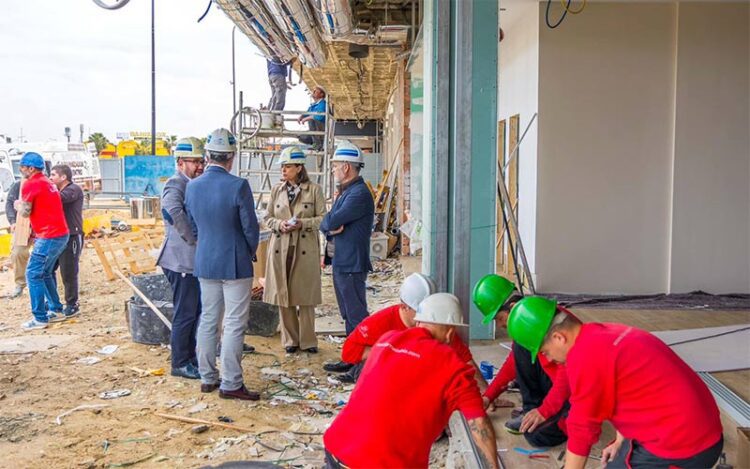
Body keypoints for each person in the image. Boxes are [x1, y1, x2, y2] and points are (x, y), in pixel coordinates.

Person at [507, 296, 724, 469]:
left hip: (683, 449)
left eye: (545, 352)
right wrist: (622, 440)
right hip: (701, 433)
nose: (550, 359)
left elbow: (582, 429)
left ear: (558, 338)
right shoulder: (600, 333)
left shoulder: (585, 358)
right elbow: (632, 394)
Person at [323, 293, 499, 469]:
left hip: (337, 448)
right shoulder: (452, 365)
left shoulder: (386, 340)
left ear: (418, 321)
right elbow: (479, 425)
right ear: (451, 333)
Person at [185, 128, 261, 400]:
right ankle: (231, 382)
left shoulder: (192, 186)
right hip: (235, 263)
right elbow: (250, 228)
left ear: (207, 156)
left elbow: (193, 227)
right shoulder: (238, 185)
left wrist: (205, 245)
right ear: (231, 157)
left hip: (205, 262)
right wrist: (248, 250)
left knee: (208, 319)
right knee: (233, 323)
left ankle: (207, 377)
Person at [334, 273, 488, 391]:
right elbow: (349, 351)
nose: (424, 318)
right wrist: (392, 351)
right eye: (419, 312)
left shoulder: (435, 323)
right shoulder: (382, 322)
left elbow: (465, 360)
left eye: (429, 312)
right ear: (403, 306)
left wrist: (487, 393)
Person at [472, 274, 570, 448]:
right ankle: (531, 412)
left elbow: (568, 374)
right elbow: (514, 364)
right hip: (557, 387)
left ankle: (554, 419)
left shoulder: (550, 323)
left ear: (512, 306)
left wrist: (544, 411)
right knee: (520, 348)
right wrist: (488, 396)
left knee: (536, 436)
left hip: (572, 394)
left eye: (500, 318)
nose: (501, 325)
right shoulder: (530, 321)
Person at [263, 146, 326, 354]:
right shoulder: (276, 190)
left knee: (305, 295)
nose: (283, 170)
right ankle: (290, 340)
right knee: (284, 293)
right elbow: (267, 218)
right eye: (282, 166)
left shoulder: (314, 190)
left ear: (299, 168)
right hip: (281, 247)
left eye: (288, 166)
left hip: (305, 246)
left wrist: (303, 223)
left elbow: (323, 219)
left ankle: (308, 341)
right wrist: (279, 225)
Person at [320, 142, 374, 374]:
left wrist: (330, 224)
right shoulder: (347, 192)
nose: (332, 169)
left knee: (357, 316)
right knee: (347, 315)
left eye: (334, 166)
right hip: (343, 261)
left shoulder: (359, 194)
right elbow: (328, 222)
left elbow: (330, 222)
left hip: (351, 262)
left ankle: (361, 367)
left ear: (346, 167)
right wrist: (330, 224)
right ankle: (352, 359)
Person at [157, 138, 205, 380]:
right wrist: (194, 239)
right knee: (185, 312)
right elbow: (172, 211)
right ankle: (180, 362)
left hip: (190, 261)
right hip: (180, 260)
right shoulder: (176, 183)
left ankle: (190, 356)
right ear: (180, 162)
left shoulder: (193, 183)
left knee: (194, 310)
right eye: (194, 161)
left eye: (201, 161)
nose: (199, 166)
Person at [16, 152, 69, 331]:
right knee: (45, 272)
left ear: (30, 168)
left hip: (49, 236)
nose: (20, 170)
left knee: (33, 274)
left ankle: (39, 318)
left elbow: (25, 212)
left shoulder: (31, 183)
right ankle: (56, 309)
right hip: (59, 234)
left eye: (22, 167)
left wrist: (18, 205)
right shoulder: (48, 183)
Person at [48, 164, 84, 320]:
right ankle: (54, 304)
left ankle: (72, 305)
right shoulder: (59, 191)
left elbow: (57, 198)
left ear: (63, 177)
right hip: (56, 236)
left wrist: (44, 188)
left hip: (72, 236)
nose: (50, 178)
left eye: (53, 175)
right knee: (48, 270)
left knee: (68, 272)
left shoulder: (73, 190)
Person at [4, 177, 30, 298]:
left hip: (42, 226)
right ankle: (20, 284)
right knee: (18, 253)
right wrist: (13, 221)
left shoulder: (46, 185)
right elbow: (9, 204)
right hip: (23, 225)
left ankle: (49, 283)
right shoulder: (18, 185)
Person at [297, 85, 327, 151]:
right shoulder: (314, 105)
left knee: (311, 120)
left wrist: (308, 118)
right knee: (301, 136)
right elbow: (308, 112)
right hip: (314, 129)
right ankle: (315, 145)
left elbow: (320, 116)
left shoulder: (323, 104)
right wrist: (302, 116)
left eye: (315, 91)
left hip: (321, 127)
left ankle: (318, 146)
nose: (313, 93)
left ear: (321, 94)